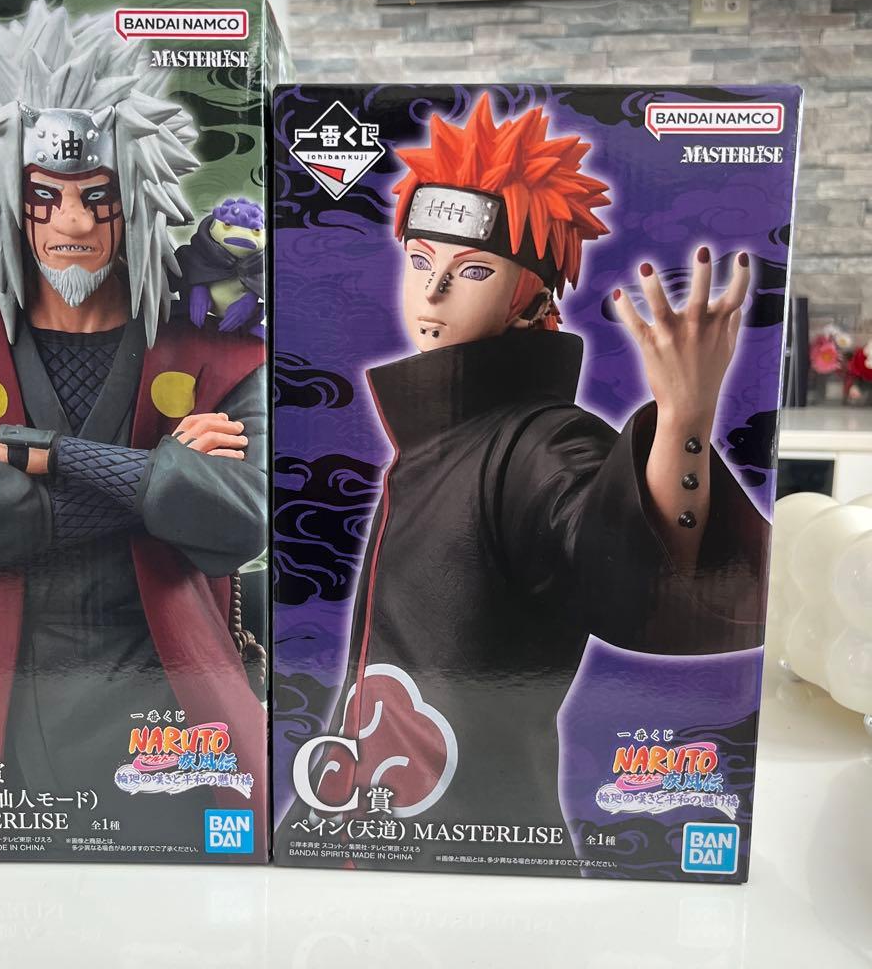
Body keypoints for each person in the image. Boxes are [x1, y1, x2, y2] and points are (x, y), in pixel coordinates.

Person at [291, 94, 766, 863]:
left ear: (531, 297)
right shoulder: (434, 435)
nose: (432, 293)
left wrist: (683, 419)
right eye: (421, 261)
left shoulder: (541, 440)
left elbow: (624, 570)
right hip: (370, 833)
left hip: (478, 848)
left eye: (472, 269)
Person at [0, 1, 267, 857]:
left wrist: (47, 455)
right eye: (44, 198)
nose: (75, 225)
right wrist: (157, 477)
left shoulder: (225, 351)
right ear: (4, 198)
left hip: (177, 714)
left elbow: (240, 523)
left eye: (99, 197)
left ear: (140, 196)